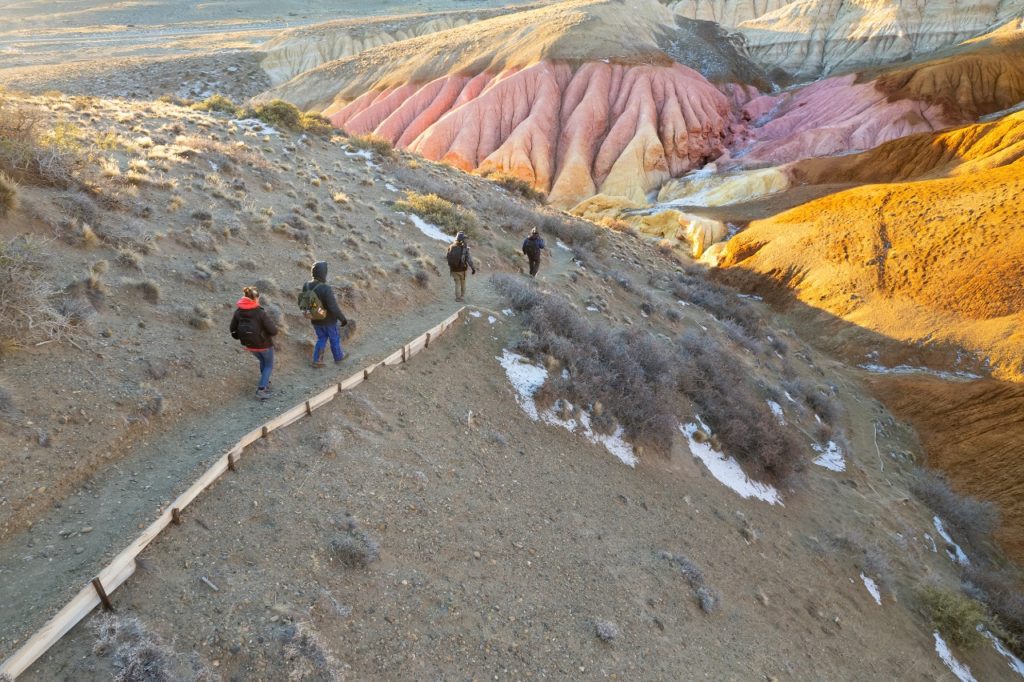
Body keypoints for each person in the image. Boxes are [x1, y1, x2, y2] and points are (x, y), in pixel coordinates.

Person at [229, 286, 278, 400]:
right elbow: (273, 331)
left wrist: (239, 336)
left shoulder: (238, 312)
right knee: (269, 365)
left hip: (249, 345)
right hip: (263, 344)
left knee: (263, 361)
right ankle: (261, 390)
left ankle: (264, 383)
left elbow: (232, 328)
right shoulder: (260, 312)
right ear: (256, 298)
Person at [299, 261, 349, 368]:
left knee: (321, 339)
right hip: (328, 320)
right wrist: (342, 319)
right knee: (334, 338)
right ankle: (339, 357)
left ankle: (317, 360)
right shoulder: (326, 288)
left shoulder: (306, 285)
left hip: (315, 319)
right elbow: (333, 307)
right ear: (323, 273)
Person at [446, 231, 477, 302]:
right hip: (462, 270)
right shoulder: (464, 249)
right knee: (463, 283)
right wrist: (473, 268)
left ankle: (457, 297)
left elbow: (447, 257)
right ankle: (462, 296)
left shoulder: (451, 246)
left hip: (453, 269)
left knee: (457, 283)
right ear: (462, 239)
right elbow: (469, 260)